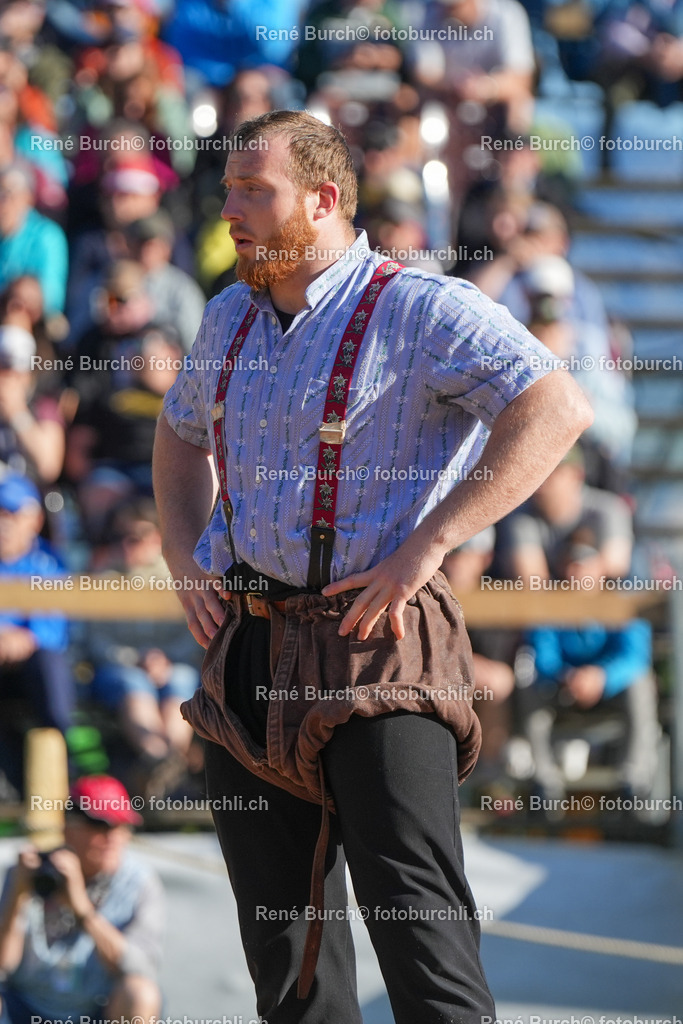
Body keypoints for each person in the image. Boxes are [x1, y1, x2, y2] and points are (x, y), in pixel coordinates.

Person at [152, 109, 593, 1024]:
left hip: (380, 648)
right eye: (228, 186)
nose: (228, 207)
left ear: (322, 199)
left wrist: (429, 545)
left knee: (423, 949)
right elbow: (178, 428)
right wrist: (181, 554)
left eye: (252, 190)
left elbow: (555, 406)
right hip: (250, 648)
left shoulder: (419, 305)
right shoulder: (229, 311)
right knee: (289, 969)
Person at [0, 775, 163, 1024]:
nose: (113, 838)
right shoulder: (28, 871)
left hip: (96, 1008)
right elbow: (3, 966)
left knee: (140, 993)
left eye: (122, 826)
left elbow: (140, 967)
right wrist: (18, 895)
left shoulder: (139, 881)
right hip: (25, 1006)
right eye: (101, 825)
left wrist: (82, 909)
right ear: (68, 827)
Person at [0, 472, 71, 798]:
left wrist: (26, 639)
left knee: (50, 669)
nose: (5, 524)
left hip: (30, 662)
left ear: (35, 520)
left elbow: (55, 630)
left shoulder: (50, 561)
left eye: (13, 514)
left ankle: (60, 780)